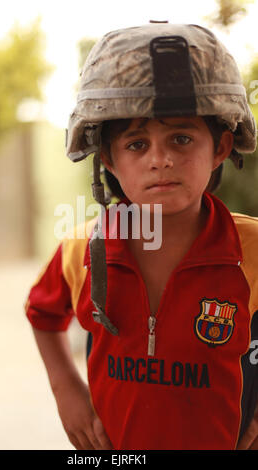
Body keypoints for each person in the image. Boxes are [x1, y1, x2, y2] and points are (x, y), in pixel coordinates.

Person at [25, 22, 258, 450]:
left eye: (182, 138)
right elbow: (42, 314)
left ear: (221, 148)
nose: (162, 160)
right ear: (108, 160)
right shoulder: (80, 249)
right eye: (136, 144)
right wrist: (66, 391)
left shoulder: (253, 250)